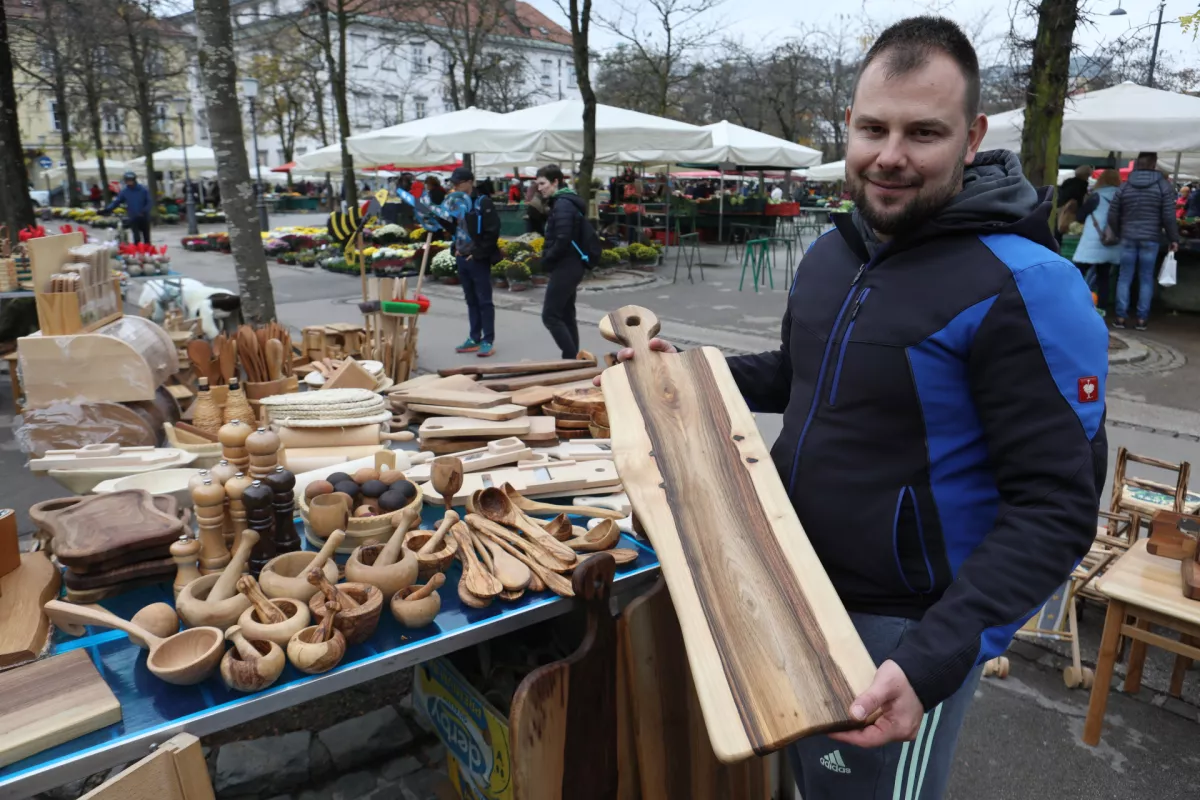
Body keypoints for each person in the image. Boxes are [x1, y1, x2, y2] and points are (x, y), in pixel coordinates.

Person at [602, 17, 1106, 800]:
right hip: (790, 581)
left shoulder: (1029, 285)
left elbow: (1057, 506)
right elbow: (800, 376)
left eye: (923, 132)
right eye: (873, 127)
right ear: (849, 126)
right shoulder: (838, 249)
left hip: (904, 627)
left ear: (971, 137)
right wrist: (687, 377)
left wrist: (935, 655)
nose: (890, 155)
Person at [1106, 152, 1181, 330]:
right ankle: (1141, 319)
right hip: (1151, 238)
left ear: (1137, 164)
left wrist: (1117, 231)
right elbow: (1169, 216)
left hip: (1127, 237)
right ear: (1154, 164)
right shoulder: (1163, 186)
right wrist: (1173, 238)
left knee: (1124, 277)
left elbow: (1112, 213)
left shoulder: (1125, 186)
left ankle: (1120, 317)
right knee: (1146, 278)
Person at [536, 164, 588, 359]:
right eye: (538, 184)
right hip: (570, 264)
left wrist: (547, 259)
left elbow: (563, 238)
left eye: (543, 183)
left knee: (550, 315)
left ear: (555, 181)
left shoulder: (563, 204)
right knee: (566, 315)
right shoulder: (563, 202)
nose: (540, 188)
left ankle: (570, 357)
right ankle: (574, 360)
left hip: (567, 265)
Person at [447, 166, 500, 357]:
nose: (455, 188)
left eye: (457, 184)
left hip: (477, 259)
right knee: (471, 300)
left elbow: (492, 231)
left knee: (484, 300)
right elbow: (455, 228)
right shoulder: (456, 203)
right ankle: (474, 337)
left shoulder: (483, 202)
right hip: (462, 257)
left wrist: (477, 254)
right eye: (453, 184)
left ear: (469, 182)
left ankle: (488, 340)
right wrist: (454, 248)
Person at [1073, 168, 1122, 315]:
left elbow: (1080, 216)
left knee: (1077, 272)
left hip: (1093, 242)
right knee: (1104, 277)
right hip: (1111, 241)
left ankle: (1074, 302)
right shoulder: (1121, 197)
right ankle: (1101, 308)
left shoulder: (1096, 196)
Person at [101, 171, 152, 244]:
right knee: (136, 238)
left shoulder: (143, 189)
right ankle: (137, 252)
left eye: (130, 180)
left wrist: (145, 211)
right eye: (127, 180)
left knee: (146, 238)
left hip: (144, 216)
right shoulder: (125, 191)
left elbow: (149, 201)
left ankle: (148, 252)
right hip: (133, 216)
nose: (129, 182)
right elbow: (117, 201)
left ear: (134, 180)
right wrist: (107, 209)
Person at [1055, 164, 1092, 241]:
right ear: (1086, 175)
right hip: (1071, 212)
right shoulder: (1082, 185)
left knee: (1057, 229)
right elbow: (1081, 201)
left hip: (1060, 209)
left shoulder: (1067, 182)